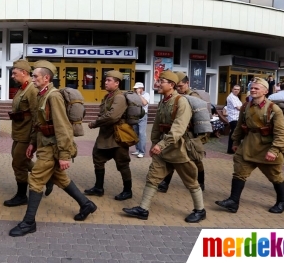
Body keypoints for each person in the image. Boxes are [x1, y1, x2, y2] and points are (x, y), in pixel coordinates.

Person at [9, 60, 97, 237]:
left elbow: (62, 127)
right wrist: (33, 143)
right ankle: (86, 204)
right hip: (44, 144)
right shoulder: (42, 94)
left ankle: (28, 222)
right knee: (60, 178)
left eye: (35, 76)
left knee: (35, 180)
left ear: (46, 77)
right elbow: (39, 122)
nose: (32, 79)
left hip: (52, 147)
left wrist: (64, 155)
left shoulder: (53, 96)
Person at [122, 71, 206, 223]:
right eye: (159, 81)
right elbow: (156, 125)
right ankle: (143, 209)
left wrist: (160, 145)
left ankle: (200, 210)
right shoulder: (163, 101)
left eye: (162, 81)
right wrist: (154, 142)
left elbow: (179, 128)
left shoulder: (181, 102)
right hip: (163, 147)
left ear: (172, 85)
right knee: (153, 177)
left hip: (180, 148)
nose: (158, 84)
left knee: (191, 180)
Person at [216, 77, 284, 214]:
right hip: (248, 146)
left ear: (265, 91)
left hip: (267, 148)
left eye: (257, 88)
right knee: (239, 172)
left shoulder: (273, 109)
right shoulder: (246, 106)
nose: (253, 90)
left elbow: (281, 133)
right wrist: (236, 142)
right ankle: (233, 201)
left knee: (275, 176)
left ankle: (282, 202)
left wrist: (274, 150)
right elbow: (239, 126)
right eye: (252, 88)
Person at [84, 70, 133, 201]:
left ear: (117, 83)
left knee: (122, 163)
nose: (105, 82)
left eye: (109, 80)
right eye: (105, 80)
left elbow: (113, 116)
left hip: (118, 136)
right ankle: (98, 188)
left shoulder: (119, 97)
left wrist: (95, 123)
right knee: (98, 158)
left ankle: (128, 191)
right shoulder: (108, 97)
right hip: (105, 135)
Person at [156, 71, 207, 193]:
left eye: (180, 86)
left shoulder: (192, 96)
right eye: (176, 87)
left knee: (196, 160)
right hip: (176, 133)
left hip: (190, 133)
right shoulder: (173, 97)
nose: (178, 89)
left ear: (187, 83)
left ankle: (200, 182)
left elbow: (197, 115)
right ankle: (165, 182)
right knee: (171, 156)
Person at [4, 59, 40, 207]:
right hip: (18, 132)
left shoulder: (32, 89)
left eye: (14, 73)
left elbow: (36, 115)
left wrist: (33, 140)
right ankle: (48, 176)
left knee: (18, 163)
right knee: (21, 160)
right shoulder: (22, 88)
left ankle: (21, 196)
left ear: (24, 73)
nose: (12, 76)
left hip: (26, 134)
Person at [131, 82, 150, 158]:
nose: (136, 90)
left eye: (137, 89)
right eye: (135, 89)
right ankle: (138, 150)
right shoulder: (134, 95)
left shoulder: (146, 94)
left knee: (142, 133)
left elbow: (145, 103)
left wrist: (139, 95)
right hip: (135, 115)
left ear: (142, 88)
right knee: (135, 133)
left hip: (143, 115)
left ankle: (142, 151)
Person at [226, 85, 243, 154]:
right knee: (234, 134)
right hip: (233, 118)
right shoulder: (231, 97)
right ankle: (230, 149)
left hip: (237, 118)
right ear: (232, 89)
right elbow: (238, 108)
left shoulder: (236, 97)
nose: (236, 90)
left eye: (238, 89)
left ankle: (232, 148)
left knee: (234, 133)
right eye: (235, 89)